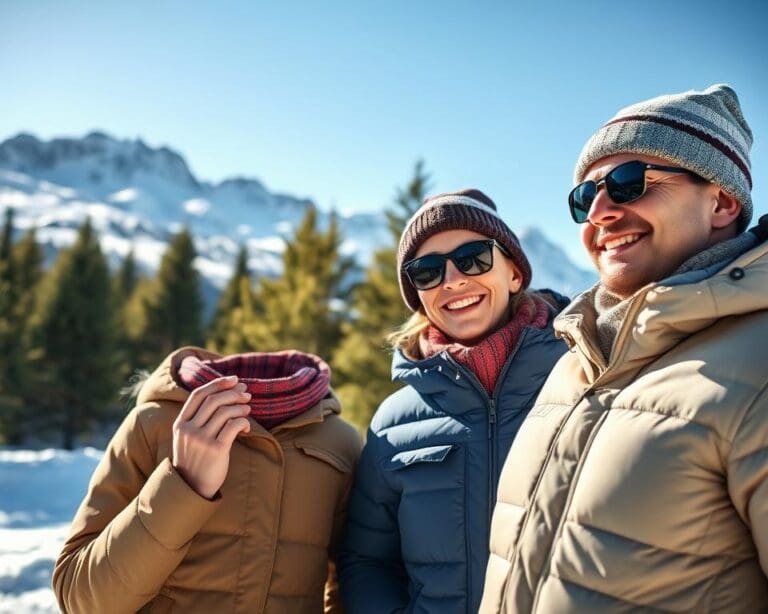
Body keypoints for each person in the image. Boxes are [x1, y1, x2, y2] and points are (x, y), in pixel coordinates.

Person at [480, 84, 768, 613]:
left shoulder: (759, 364)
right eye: (585, 197)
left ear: (723, 201)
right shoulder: (575, 364)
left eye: (629, 184)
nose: (600, 213)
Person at [337, 189, 567, 613]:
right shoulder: (394, 423)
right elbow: (368, 561)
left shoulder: (584, 382)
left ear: (515, 273)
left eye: (474, 257)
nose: (453, 280)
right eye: (427, 271)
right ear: (418, 295)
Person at [53, 346, 361, 613]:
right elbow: (81, 601)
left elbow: (352, 586)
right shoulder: (153, 426)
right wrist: (183, 485)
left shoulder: (341, 445)